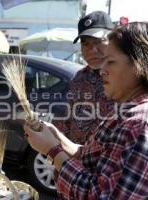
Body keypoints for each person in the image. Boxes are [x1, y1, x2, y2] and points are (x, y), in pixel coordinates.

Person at [24, 22, 148, 199]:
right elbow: (95, 158)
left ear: (142, 64)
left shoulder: (143, 125)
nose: (102, 70)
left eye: (111, 62)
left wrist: (52, 150)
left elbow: (99, 196)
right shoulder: (131, 111)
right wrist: (56, 137)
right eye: (85, 44)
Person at [56, 11, 114, 145]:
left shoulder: (126, 78)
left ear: (113, 39)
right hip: (75, 159)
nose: (92, 50)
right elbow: (67, 119)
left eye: (99, 41)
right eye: (85, 43)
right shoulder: (79, 78)